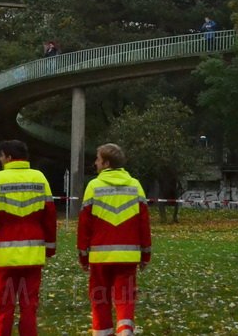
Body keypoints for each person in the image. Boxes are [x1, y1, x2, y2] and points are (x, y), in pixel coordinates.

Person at [0, 140, 57, 336]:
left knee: (4, 306)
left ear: (9, 157)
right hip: (34, 250)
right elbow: (50, 215)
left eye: (1, 156)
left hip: (6, 251)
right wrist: (50, 247)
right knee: (29, 305)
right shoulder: (40, 178)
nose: (0, 159)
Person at [78, 143, 151, 336]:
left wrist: (83, 256)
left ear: (106, 163)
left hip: (100, 255)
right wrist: (146, 255)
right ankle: (125, 329)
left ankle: (103, 332)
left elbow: (84, 225)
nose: (95, 163)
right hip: (128, 255)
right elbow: (143, 223)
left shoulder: (93, 186)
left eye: (97, 159)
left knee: (99, 297)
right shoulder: (135, 186)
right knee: (125, 296)